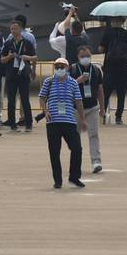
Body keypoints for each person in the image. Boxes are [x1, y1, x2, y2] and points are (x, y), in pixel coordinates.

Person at [39, 58, 86, 188]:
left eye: (62, 66)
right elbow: (42, 98)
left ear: (67, 68)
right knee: (54, 152)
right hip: (53, 121)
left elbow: (78, 101)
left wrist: (82, 119)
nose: (60, 69)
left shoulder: (73, 83)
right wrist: (45, 110)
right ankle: (57, 180)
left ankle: (74, 176)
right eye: (57, 66)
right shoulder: (48, 82)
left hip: (69, 121)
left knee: (77, 148)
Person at [69, 46, 105, 172]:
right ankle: (76, 162)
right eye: (82, 56)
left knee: (94, 134)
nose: (85, 58)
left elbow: (100, 90)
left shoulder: (96, 70)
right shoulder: (72, 69)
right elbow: (66, 86)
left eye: (88, 56)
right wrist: (78, 81)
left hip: (92, 107)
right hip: (76, 109)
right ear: (78, 57)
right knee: (75, 136)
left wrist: (102, 108)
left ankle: (96, 161)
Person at [1, 21, 37, 131]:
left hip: (23, 74)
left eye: (15, 29)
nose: (13, 31)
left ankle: (28, 123)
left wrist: (27, 59)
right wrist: (9, 57)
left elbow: (35, 57)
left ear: (20, 29)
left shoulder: (27, 43)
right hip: (11, 75)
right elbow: (2, 60)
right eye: (11, 29)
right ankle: (12, 124)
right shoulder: (8, 43)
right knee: (11, 100)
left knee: (25, 99)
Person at [98, 16, 127, 125]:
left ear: (113, 22)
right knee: (121, 94)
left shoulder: (108, 33)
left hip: (109, 68)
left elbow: (101, 49)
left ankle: (103, 115)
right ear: (123, 22)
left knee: (106, 93)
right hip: (122, 68)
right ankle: (118, 117)